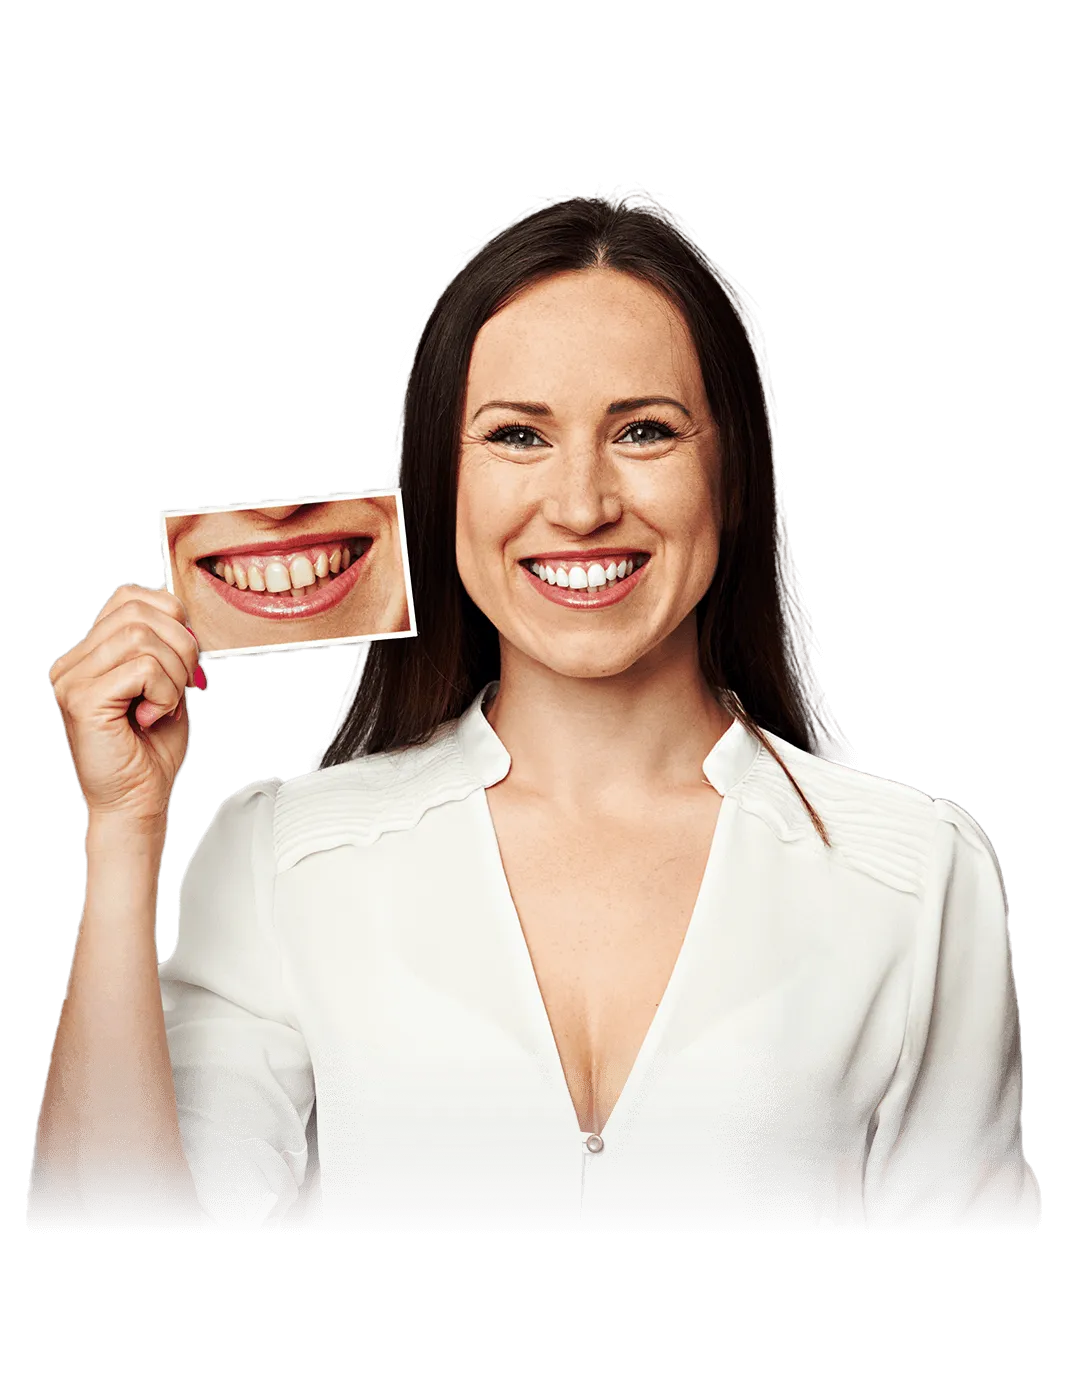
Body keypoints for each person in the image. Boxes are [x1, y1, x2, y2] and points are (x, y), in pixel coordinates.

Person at [32, 189, 1039, 1235]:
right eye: (517, 435)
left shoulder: (917, 878)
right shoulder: (283, 857)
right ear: (443, 489)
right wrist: (123, 827)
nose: (582, 505)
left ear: (732, 476)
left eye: (644, 431)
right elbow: (119, 1228)